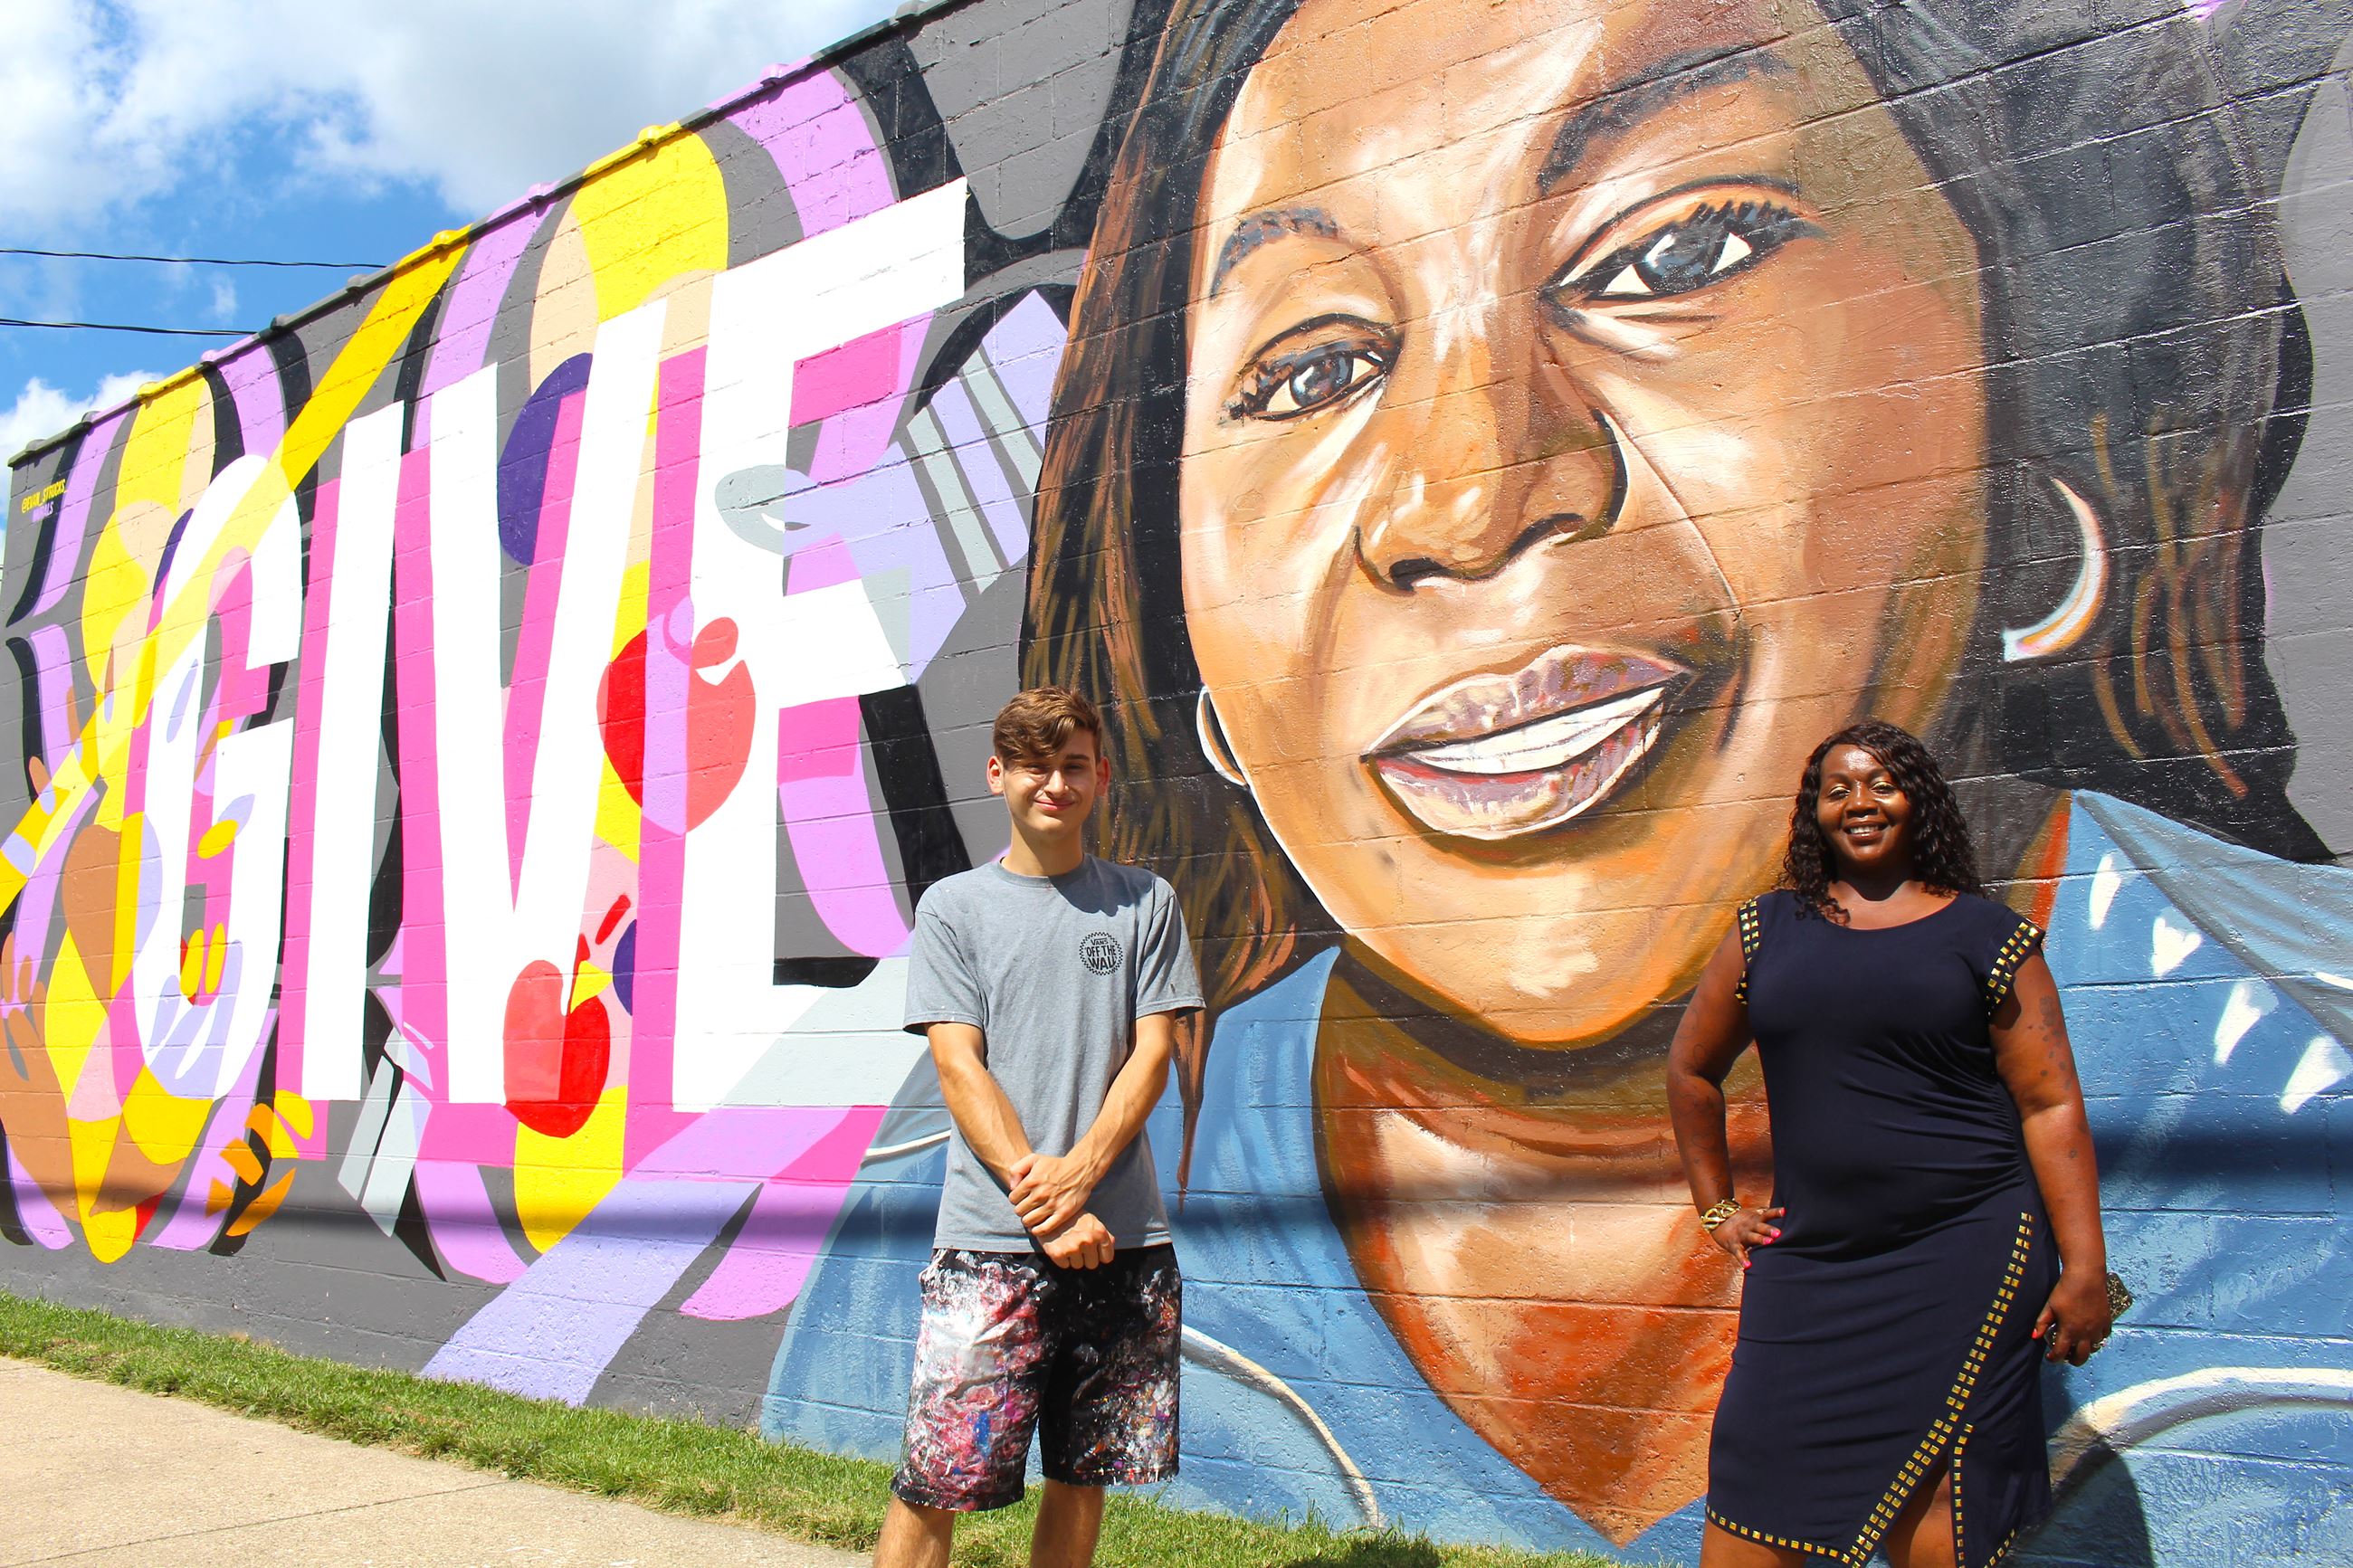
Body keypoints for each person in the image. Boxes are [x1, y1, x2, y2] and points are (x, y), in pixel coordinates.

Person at [771, 2, 2353, 1559]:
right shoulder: (941, 1187)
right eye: (1314, 368)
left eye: (1675, 252)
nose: (1470, 495)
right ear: (1206, 682)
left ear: (2040, 423)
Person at [1666, 722, 2113, 1568]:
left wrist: (2084, 1266)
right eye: (1838, 788)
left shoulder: (1988, 937)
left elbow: (2051, 1104)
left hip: (1969, 1252)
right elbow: (1691, 1069)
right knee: (1756, 1460)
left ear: (1920, 802)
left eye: (1881, 784)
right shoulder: (1766, 930)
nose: (1860, 803)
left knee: (1945, 1484)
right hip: (1813, 1260)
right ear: (1814, 811)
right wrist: (1716, 1205)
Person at [870, 687, 1202, 1568]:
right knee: (935, 1478)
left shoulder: (1144, 903)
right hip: (991, 1247)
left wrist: (1080, 1175)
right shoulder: (953, 907)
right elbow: (957, 1064)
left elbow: (1152, 1053)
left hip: (1120, 1242)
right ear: (998, 774)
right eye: (1033, 764)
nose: (1053, 782)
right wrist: (1049, 1206)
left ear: (1098, 777)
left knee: (1081, 1472)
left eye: (1072, 765)